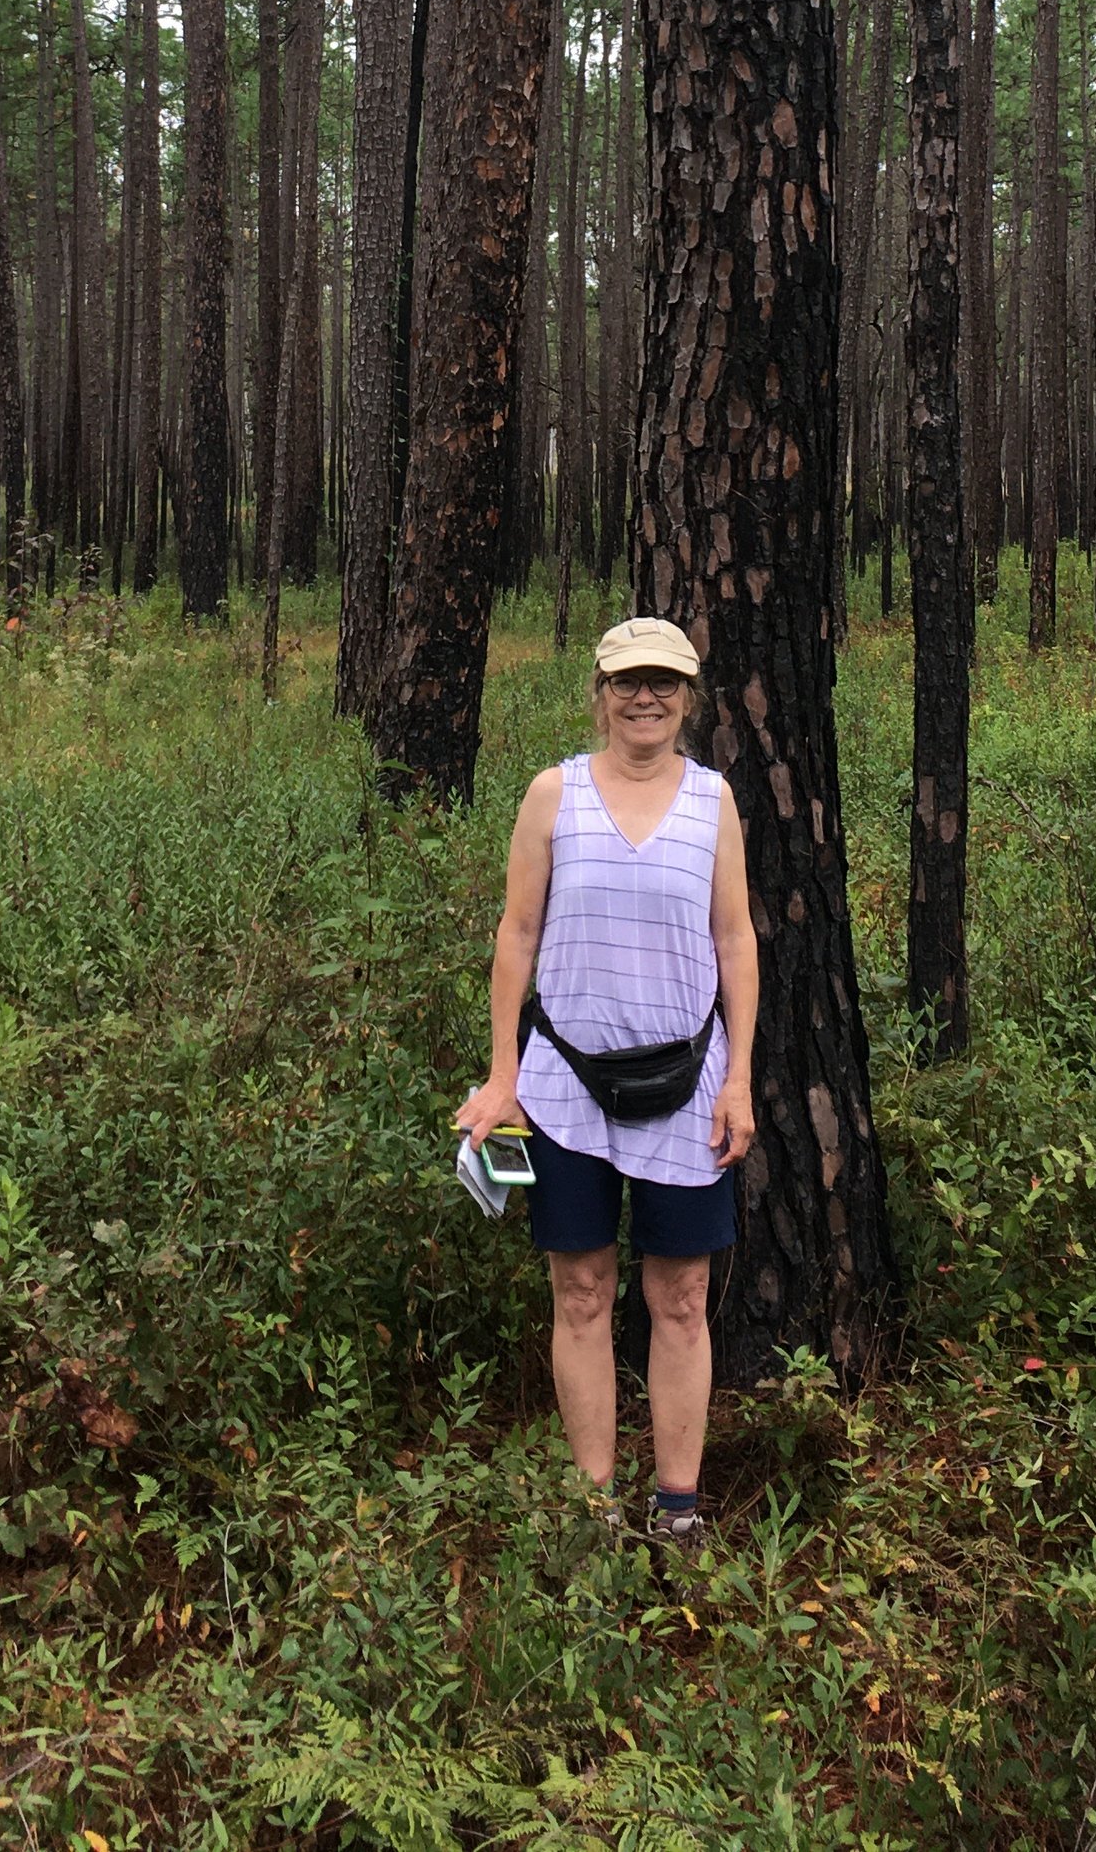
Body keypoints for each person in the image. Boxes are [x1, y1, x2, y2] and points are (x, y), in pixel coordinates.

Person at [455, 615, 758, 1543]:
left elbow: (735, 938)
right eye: (629, 681)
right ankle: (593, 1510)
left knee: (681, 1297)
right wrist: (505, 1075)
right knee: (581, 1291)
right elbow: (516, 935)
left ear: (688, 696)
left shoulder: (714, 801)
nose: (646, 698)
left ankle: (676, 1509)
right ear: (600, 692)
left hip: (687, 1090)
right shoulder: (555, 795)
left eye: (665, 682)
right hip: (565, 1090)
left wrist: (739, 1075)